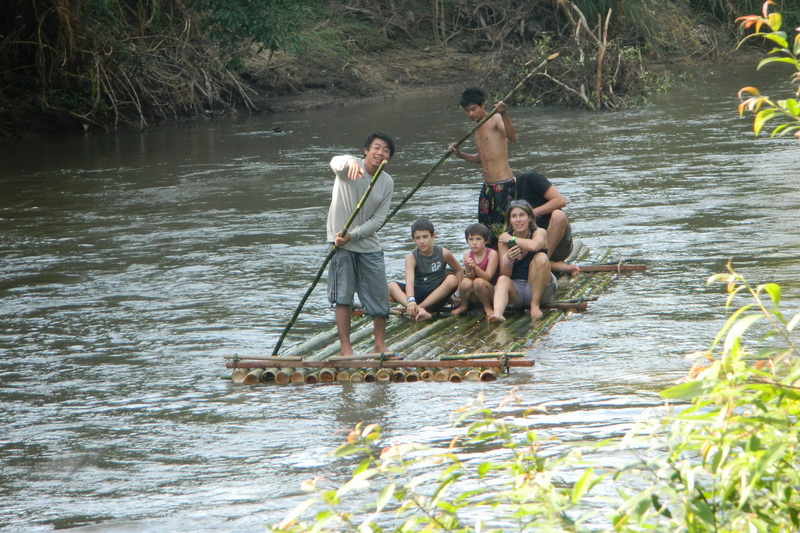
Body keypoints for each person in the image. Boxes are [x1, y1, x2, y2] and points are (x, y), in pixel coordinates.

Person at [448, 86, 579, 275]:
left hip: (503, 185)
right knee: (486, 232)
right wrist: (461, 155)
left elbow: (513, 136)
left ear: (483, 105)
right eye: (467, 111)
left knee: (505, 230)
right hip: (488, 189)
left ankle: (518, 267)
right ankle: (491, 268)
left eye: (474, 109)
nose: (470, 114)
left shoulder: (495, 119)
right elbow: (483, 158)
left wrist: (505, 114)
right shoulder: (476, 128)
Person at [327, 132, 395, 356]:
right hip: (341, 243)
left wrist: (354, 235)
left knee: (378, 293)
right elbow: (335, 161)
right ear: (366, 150)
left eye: (385, 150)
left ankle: (380, 344)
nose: (380, 153)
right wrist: (349, 163)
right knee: (342, 296)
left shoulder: (386, 181)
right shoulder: (349, 166)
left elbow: (377, 220)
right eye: (377, 147)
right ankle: (346, 349)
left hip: (366, 243)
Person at [474, 199, 557, 322]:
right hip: (516, 288)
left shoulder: (539, 232)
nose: (518, 220)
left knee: (541, 257)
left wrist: (512, 239)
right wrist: (508, 260)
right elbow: (505, 274)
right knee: (502, 279)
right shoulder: (503, 239)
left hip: (539, 287)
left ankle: (534, 305)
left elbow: (534, 246)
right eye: (514, 216)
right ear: (510, 220)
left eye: (522, 215)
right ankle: (498, 314)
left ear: (529, 218)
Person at [388, 218, 463, 322]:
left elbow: (459, 270)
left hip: (437, 296)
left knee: (452, 279)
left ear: (433, 237)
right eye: (417, 238)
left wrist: (458, 293)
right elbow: (409, 282)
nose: (422, 241)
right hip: (417, 294)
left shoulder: (443, 253)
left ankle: (419, 309)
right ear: (413, 240)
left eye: (425, 237)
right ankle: (417, 309)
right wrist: (410, 301)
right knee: (391, 285)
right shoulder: (411, 257)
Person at [451, 223, 499, 315]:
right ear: (467, 241)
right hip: (476, 292)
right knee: (465, 282)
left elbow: (488, 277)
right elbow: (470, 277)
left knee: (478, 282)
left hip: (490, 291)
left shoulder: (492, 254)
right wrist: (468, 269)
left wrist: (474, 267)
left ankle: (487, 307)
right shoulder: (467, 255)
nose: (474, 243)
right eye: (471, 239)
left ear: (485, 241)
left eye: (478, 239)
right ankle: (464, 306)